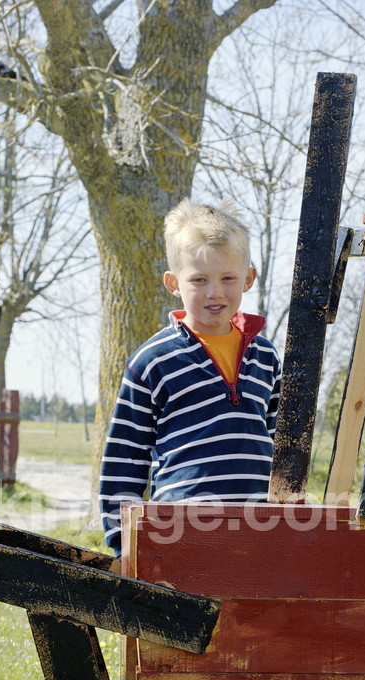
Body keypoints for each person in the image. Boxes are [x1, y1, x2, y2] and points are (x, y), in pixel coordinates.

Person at [98, 198, 281, 557]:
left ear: (248, 279)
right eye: (199, 280)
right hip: (179, 536)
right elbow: (124, 461)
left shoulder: (266, 357)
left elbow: (280, 448)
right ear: (173, 283)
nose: (215, 292)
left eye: (228, 278)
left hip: (258, 534)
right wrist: (123, 544)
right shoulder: (152, 361)